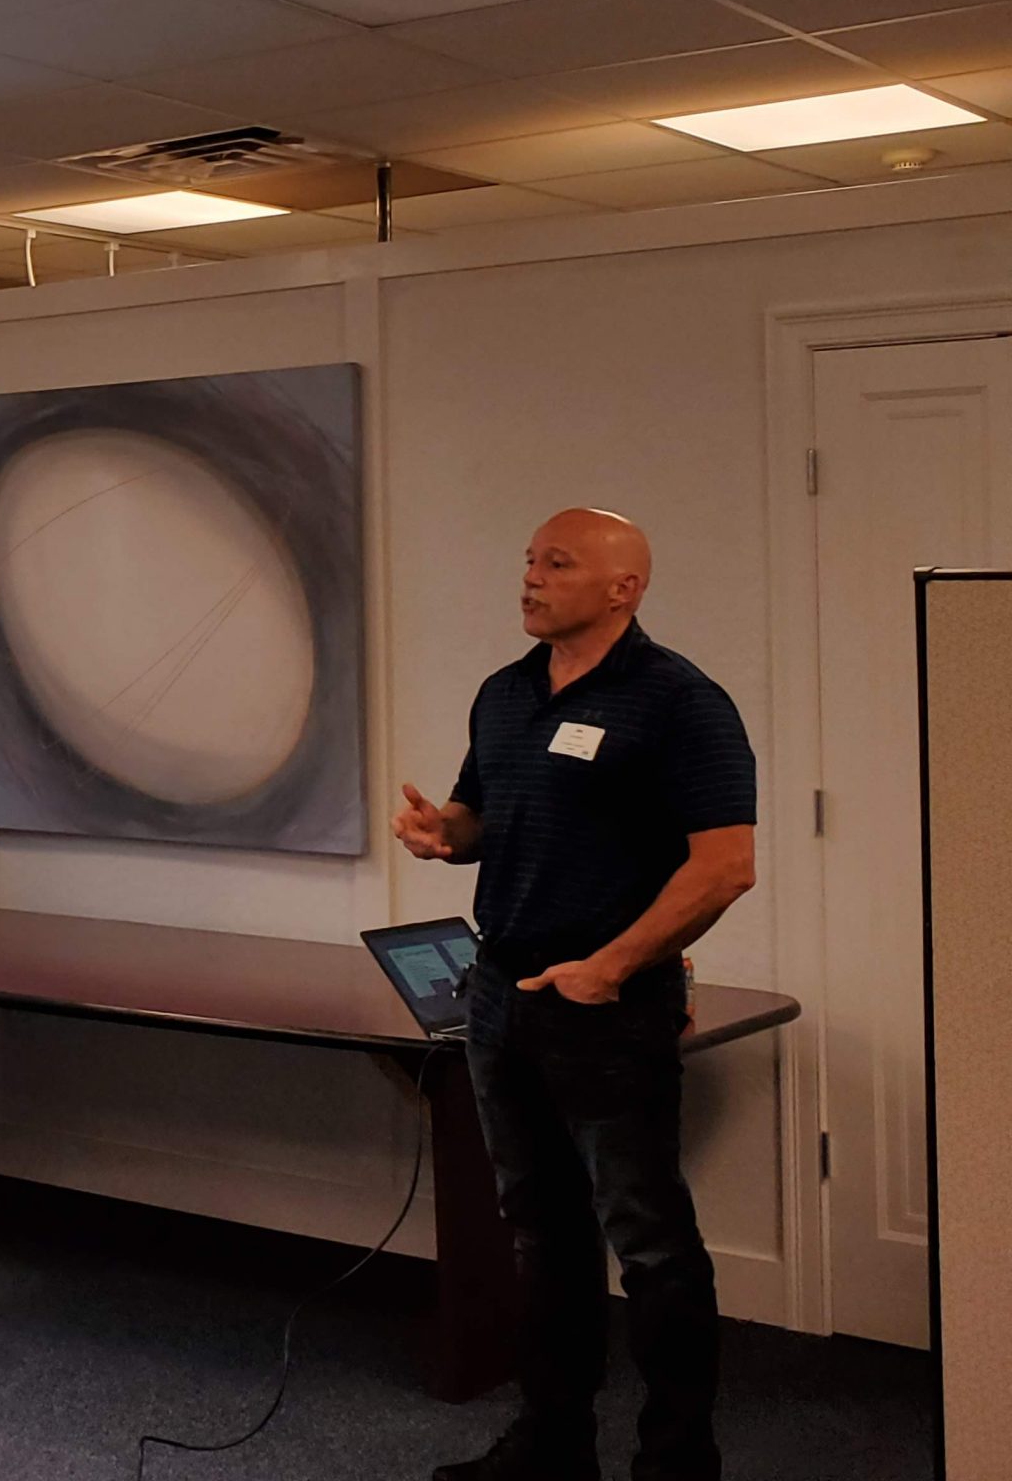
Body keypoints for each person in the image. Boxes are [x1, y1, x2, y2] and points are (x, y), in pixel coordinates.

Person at [398, 509, 756, 1481]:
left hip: (605, 1007)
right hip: (500, 993)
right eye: (528, 561)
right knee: (540, 1231)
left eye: (556, 564)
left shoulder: (678, 701)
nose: (530, 578)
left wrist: (611, 967)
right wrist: (444, 834)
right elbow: (482, 819)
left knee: (649, 1240)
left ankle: (677, 1460)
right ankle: (553, 1445)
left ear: (622, 588)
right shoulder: (504, 693)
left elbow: (725, 865)